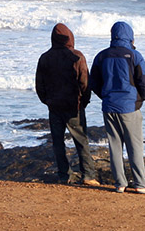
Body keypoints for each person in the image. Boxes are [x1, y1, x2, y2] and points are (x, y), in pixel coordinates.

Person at [89, 21, 145, 193]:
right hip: (129, 107)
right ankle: (140, 184)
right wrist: (139, 100)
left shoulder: (101, 56)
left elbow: (93, 82)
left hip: (109, 106)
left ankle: (120, 184)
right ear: (130, 36)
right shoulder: (134, 55)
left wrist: (105, 96)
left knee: (114, 146)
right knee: (135, 146)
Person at [34, 22, 101, 186]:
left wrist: (47, 101)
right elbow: (85, 82)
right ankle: (88, 175)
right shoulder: (77, 56)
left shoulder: (45, 58)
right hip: (74, 106)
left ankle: (64, 175)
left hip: (54, 106)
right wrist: (83, 102)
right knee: (81, 141)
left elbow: (39, 85)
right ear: (70, 37)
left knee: (58, 142)